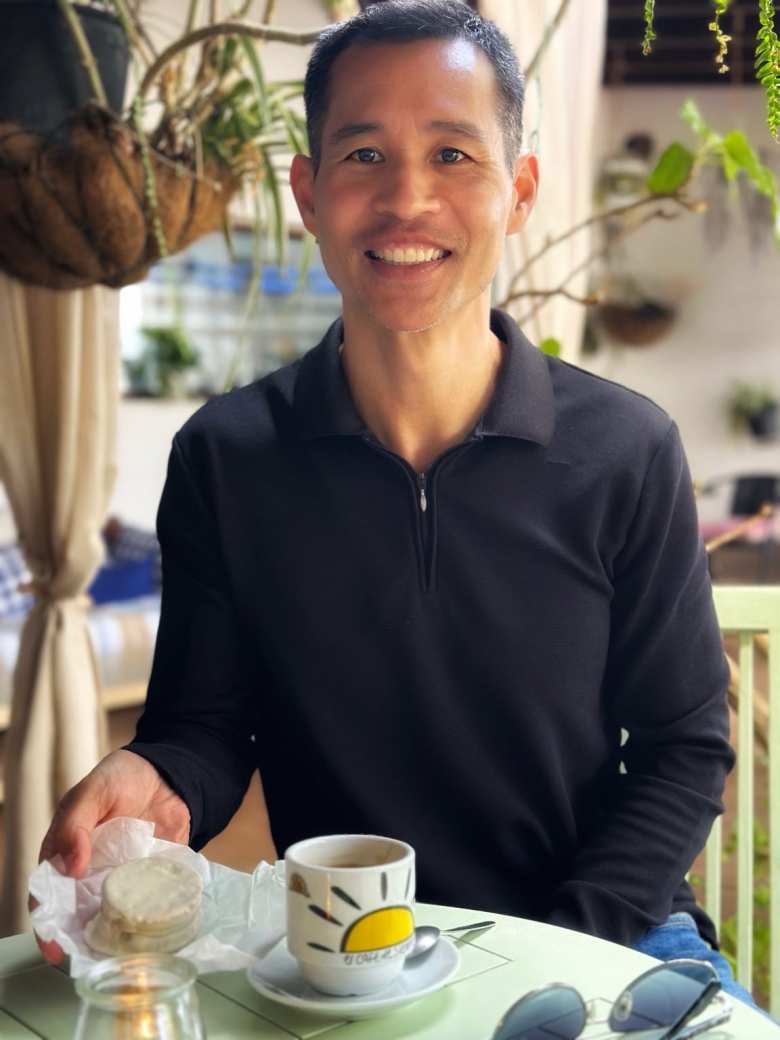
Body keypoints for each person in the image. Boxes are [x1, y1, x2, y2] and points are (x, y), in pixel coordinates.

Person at [35, 0, 749, 1008]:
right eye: (363, 154)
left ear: (520, 192)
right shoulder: (228, 458)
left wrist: (559, 947)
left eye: (454, 153)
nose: (407, 197)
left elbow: (684, 743)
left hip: (607, 923)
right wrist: (153, 776)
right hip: (350, 942)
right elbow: (204, 725)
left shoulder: (627, 450)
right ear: (310, 192)